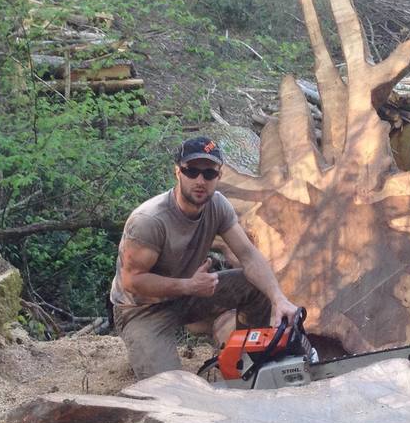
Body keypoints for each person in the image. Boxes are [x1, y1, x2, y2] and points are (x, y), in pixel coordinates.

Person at [110, 137, 300, 379]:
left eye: (209, 173)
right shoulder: (149, 220)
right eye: (192, 171)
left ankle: (247, 363)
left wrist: (278, 299)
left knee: (256, 285)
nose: (200, 180)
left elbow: (249, 257)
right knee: (170, 389)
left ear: (218, 175)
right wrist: (188, 285)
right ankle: (149, 354)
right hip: (141, 309)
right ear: (177, 172)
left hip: (190, 294)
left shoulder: (218, 206)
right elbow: (132, 281)